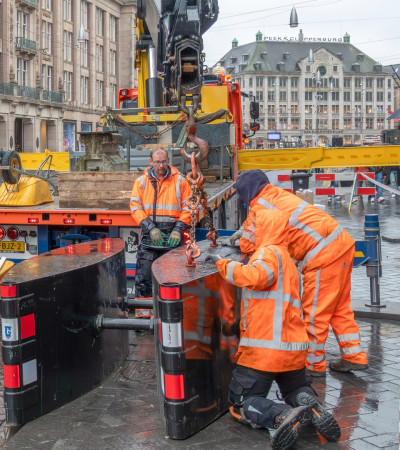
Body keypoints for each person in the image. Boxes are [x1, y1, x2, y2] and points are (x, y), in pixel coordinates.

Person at [214, 209, 340, 450]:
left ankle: (282, 415)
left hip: (263, 351)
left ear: (265, 229)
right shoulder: (287, 258)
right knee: (294, 387)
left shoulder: (268, 253)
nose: (249, 232)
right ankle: (309, 403)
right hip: (292, 350)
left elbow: (255, 276)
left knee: (243, 403)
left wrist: (222, 263)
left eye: (253, 228)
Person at [235, 169, 368, 377]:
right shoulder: (277, 194)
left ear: (246, 192)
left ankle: (313, 365)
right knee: (339, 307)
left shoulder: (260, 206)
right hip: (341, 243)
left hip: (323, 254)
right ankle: (354, 356)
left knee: (315, 312)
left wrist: (240, 240)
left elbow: (252, 242)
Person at [128, 148, 191, 298]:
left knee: (172, 280)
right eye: (157, 162)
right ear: (151, 162)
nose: (161, 166)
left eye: (163, 162)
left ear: (168, 161)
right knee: (144, 280)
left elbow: (189, 208)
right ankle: (144, 316)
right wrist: (150, 228)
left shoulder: (180, 181)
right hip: (150, 237)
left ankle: (169, 319)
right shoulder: (141, 182)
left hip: (173, 237)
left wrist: (178, 229)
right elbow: (135, 208)